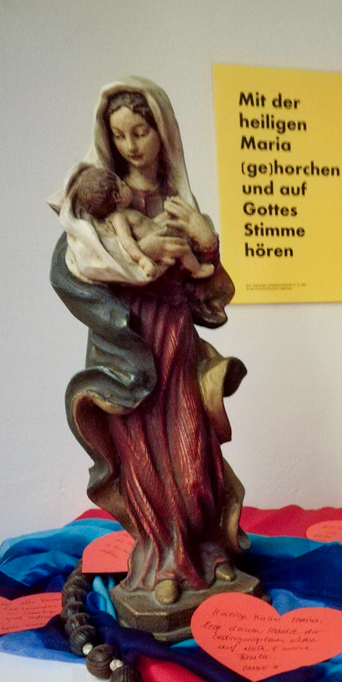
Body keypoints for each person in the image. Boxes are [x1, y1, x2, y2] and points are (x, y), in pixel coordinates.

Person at [49, 78, 250, 634]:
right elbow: (75, 268)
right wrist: (137, 258)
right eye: (120, 135)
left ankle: (207, 550)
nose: (132, 145)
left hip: (175, 340)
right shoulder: (100, 204)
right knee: (144, 459)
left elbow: (209, 290)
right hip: (130, 348)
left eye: (140, 131)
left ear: (162, 132)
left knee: (191, 454)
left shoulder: (180, 202)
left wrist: (207, 242)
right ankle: (163, 561)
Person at [70, 164, 210, 280]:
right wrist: (142, 259)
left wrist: (164, 216)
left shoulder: (125, 213)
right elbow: (127, 241)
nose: (126, 184)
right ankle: (196, 270)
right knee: (183, 247)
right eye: (122, 185)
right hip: (161, 241)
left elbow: (145, 223)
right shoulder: (118, 219)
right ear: (117, 196)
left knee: (180, 226)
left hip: (159, 230)